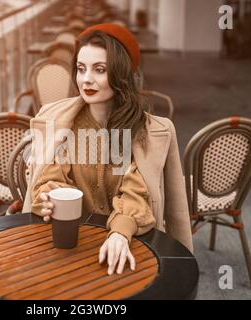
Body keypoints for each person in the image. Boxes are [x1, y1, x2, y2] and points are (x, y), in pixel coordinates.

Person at [21, 23, 193, 275]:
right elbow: (51, 177)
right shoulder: (59, 121)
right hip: (70, 246)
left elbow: (136, 192)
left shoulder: (145, 130)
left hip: (130, 246)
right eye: (81, 69)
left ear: (120, 74)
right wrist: (49, 198)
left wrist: (120, 234)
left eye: (99, 70)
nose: (86, 79)